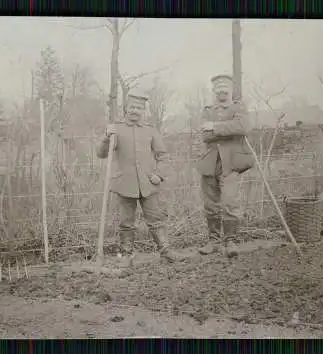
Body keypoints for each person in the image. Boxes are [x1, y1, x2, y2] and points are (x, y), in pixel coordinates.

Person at [97, 92, 185, 268]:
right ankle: (126, 255)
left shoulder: (150, 130)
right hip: (124, 184)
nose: (135, 111)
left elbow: (163, 156)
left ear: (143, 111)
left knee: (156, 220)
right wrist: (106, 137)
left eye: (139, 108)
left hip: (148, 184)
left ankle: (166, 251)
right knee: (126, 223)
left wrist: (158, 175)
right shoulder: (116, 129)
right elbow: (101, 154)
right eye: (132, 107)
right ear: (126, 109)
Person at [195, 74, 254, 258]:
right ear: (214, 90)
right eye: (218, 87)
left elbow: (243, 127)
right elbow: (206, 136)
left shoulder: (239, 107)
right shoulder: (207, 110)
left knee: (230, 202)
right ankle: (213, 241)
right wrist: (227, 129)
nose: (221, 90)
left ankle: (231, 241)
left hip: (231, 163)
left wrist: (214, 126)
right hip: (210, 161)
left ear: (231, 89)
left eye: (225, 87)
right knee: (211, 205)